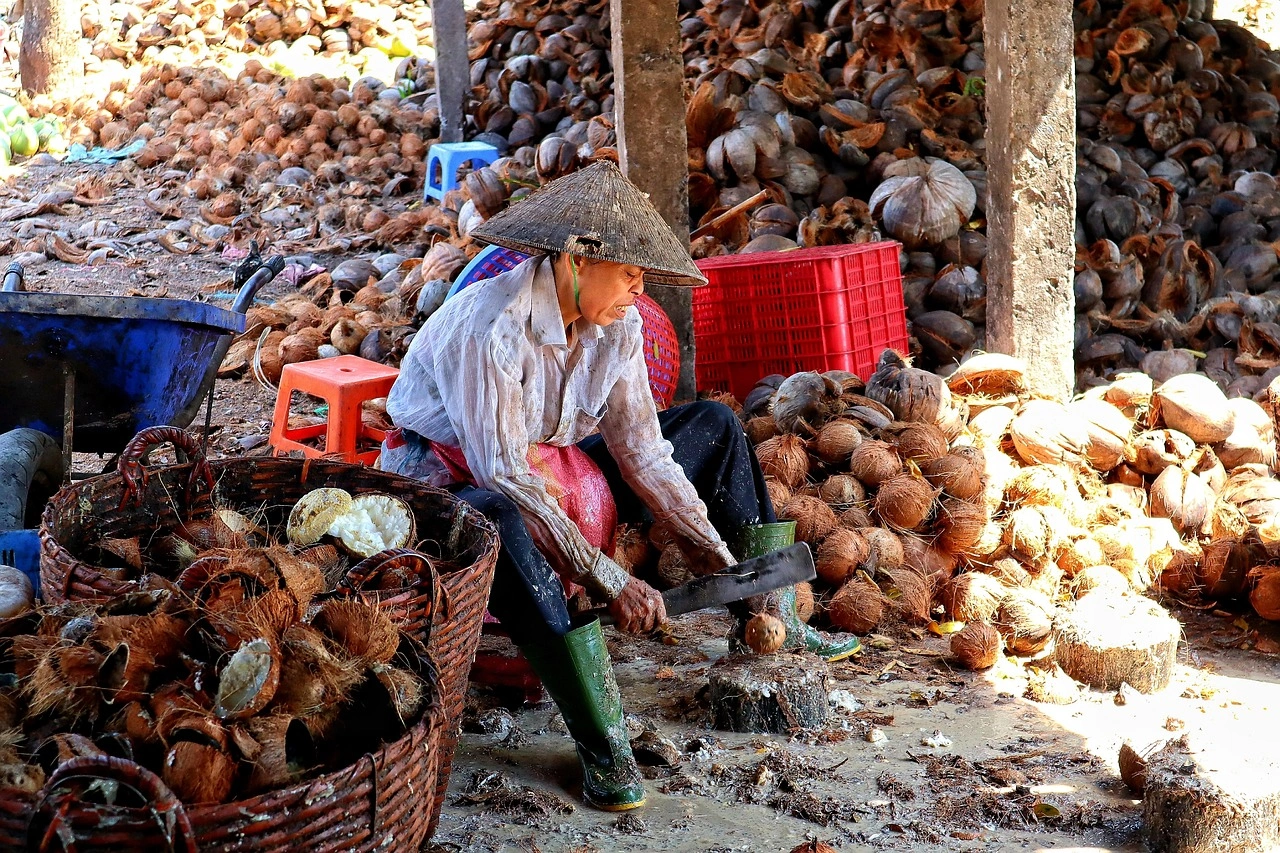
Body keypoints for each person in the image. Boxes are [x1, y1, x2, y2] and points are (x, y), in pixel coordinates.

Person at [380, 160, 859, 812]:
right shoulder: (487, 326)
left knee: (713, 424)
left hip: (553, 464)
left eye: (643, 275)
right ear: (575, 260)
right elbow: (505, 474)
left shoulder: (622, 325)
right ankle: (602, 741)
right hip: (452, 484)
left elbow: (645, 453)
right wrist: (608, 576)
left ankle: (765, 609)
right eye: (628, 271)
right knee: (498, 516)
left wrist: (710, 555)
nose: (638, 287)